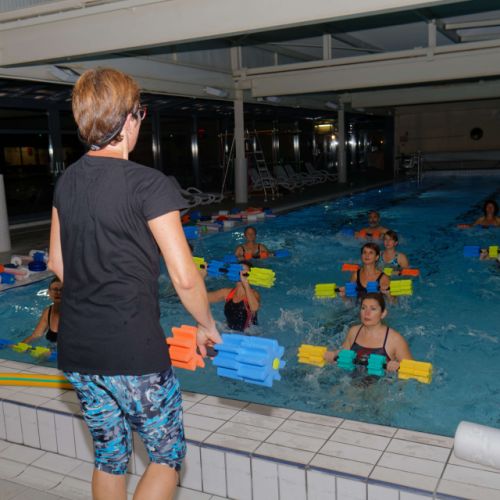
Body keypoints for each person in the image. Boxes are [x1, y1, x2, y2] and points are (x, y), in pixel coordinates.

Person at [48, 68, 221, 500]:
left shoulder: (67, 182)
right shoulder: (149, 184)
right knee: (165, 456)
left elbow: (56, 261)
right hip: (133, 349)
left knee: (110, 456)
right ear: (128, 120)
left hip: (78, 349)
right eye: (140, 113)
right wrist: (206, 324)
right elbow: (184, 276)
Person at [323, 293, 413, 372]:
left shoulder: (395, 340)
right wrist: (333, 355)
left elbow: (412, 371)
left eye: (373, 309)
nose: (367, 313)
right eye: (363, 308)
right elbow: (343, 354)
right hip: (351, 380)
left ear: (383, 314)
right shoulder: (354, 331)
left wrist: (398, 366)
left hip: (382, 384)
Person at [207, 262, 260, 332]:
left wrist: (246, 283)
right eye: (238, 270)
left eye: (244, 271)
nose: (240, 273)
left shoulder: (253, 294)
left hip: (249, 334)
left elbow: (254, 308)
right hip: (229, 331)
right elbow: (203, 298)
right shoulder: (226, 293)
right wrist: (201, 275)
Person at [22, 277, 62, 344]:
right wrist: (21, 345)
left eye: (62, 290)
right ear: (49, 292)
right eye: (55, 289)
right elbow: (35, 335)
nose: (58, 292)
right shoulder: (48, 312)